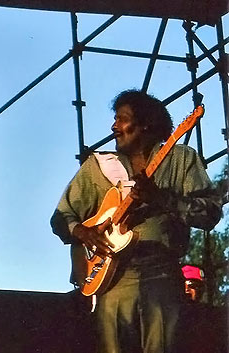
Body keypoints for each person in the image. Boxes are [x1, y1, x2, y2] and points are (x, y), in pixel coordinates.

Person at [50, 89, 221, 353]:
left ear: (145, 125)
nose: (114, 126)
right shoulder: (98, 166)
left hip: (162, 273)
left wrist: (162, 198)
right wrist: (83, 232)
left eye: (122, 119)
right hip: (112, 280)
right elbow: (61, 218)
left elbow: (210, 214)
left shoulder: (181, 159)